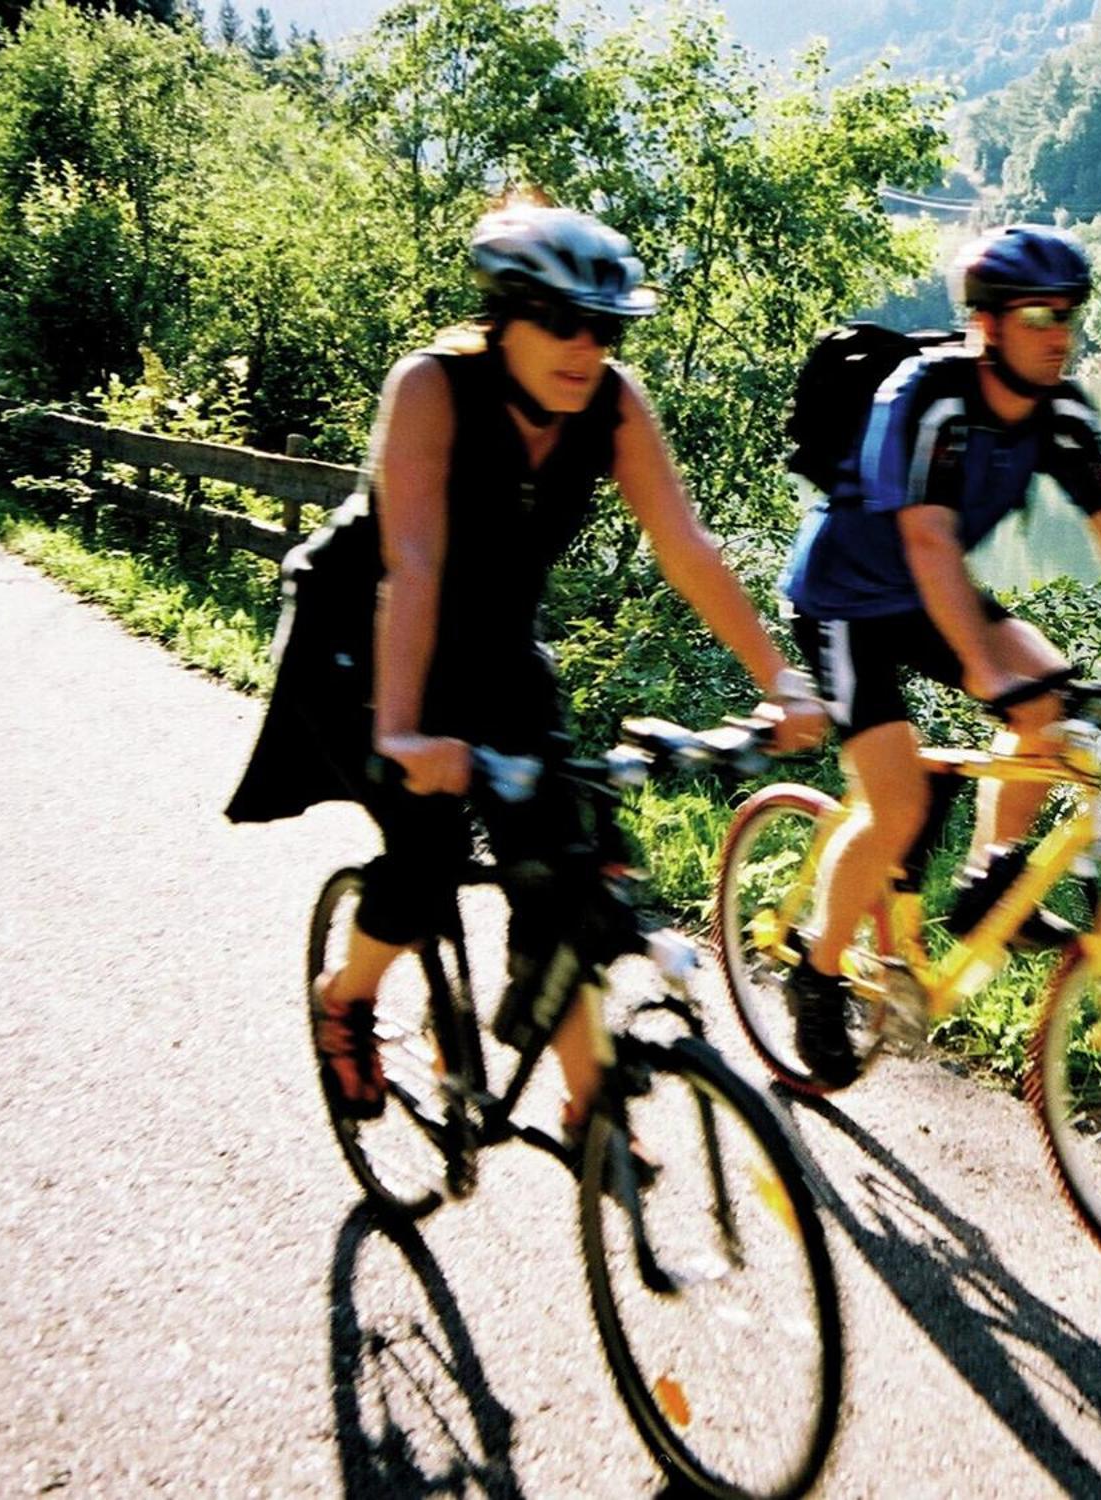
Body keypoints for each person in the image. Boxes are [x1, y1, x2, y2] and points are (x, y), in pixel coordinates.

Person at [228, 200, 825, 1130]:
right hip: (361, 637)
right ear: (504, 313)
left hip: (495, 648)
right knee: (425, 848)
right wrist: (401, 730)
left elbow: (686, 547)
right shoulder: (431, 387)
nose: (585, 347)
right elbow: (411, 564)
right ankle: (346, 996)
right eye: (560, 322)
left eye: (605, 326)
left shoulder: (613, 405)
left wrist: (777, 679)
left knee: (565, 862)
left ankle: (593, 1120)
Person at [778, 223, 1101, 1087]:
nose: (1059, 331)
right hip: (845, 599)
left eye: (1069, 312)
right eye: (1038, 313)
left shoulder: (1061, 410)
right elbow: (925, 538)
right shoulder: (929, 396)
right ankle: (818, 971)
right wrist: (989, 672)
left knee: (1051, 698)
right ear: (986, 322)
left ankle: (988, 879)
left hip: (928, 592)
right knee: (897, 802)